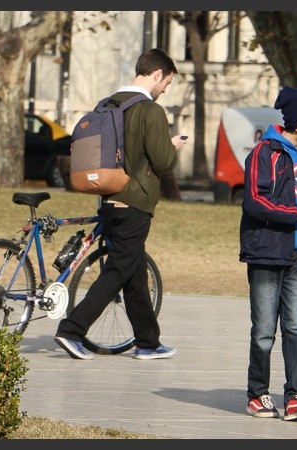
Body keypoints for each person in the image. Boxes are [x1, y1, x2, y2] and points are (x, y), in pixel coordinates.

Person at [54, 48, 187, 360]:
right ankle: (71, 331)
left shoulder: (110, 103)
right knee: (116, 271)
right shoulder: (150, 111)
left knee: (135, 273)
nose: (165, 89)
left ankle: (147, 342)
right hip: (134, 201)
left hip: (110, 197)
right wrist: (171, 146)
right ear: (157, 75)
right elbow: (163, 162)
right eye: (166, 82)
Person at [240, 86, 297, 421]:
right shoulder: (265, 153)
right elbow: (254, 200)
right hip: (266, 254)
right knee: (265, 329)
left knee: (296, 328)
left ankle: (295, 396)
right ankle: (258, 394)